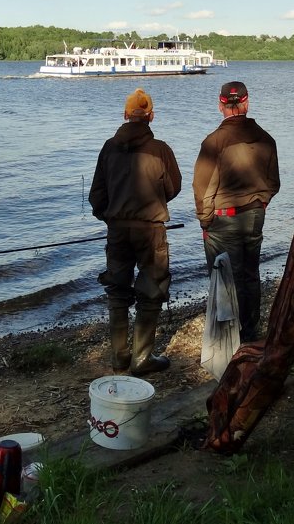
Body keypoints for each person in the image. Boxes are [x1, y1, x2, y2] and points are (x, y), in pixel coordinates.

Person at [89, 88, 182, 376]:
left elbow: (97, 195)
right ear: (151, 116)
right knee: (151, 290)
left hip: (117, 230)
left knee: (117, 291)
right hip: (150, 230)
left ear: (125, 115)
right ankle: (142, 358)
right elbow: (173, 187)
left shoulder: (108, 147)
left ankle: (120, 357)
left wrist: (110, 217)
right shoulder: (161, 149)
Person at [193, 80, 280, 342]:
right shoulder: (266, 138)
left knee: (223, 280)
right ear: (246, 103)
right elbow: (273, 183)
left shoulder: (213, 142)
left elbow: (201, 188)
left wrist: (205, 221)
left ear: (221, 105)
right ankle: (250, 333)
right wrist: (260, 204)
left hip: (224, 220)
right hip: (254, 216)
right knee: (250, 275)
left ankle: (229, 339)